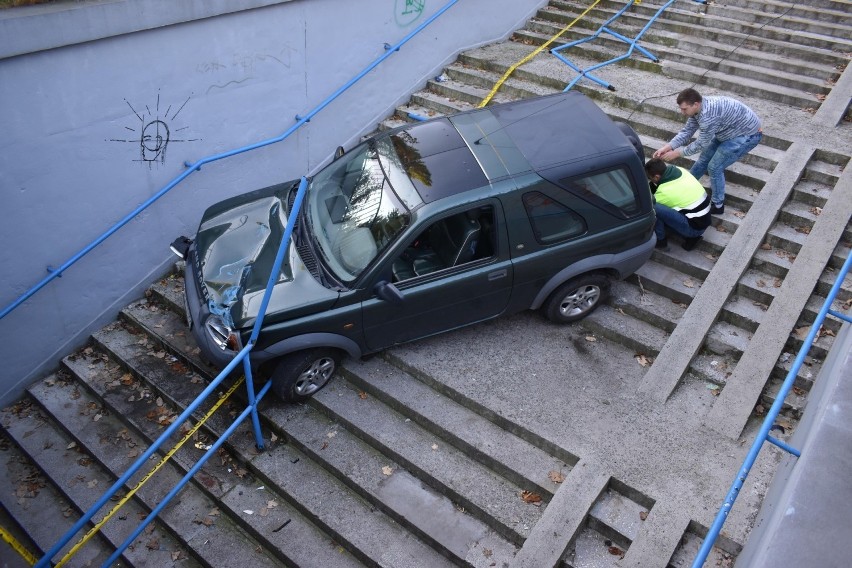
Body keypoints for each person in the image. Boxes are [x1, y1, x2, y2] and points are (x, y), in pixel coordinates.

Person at [653, 88, 762, 215]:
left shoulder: (707, 116)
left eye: (684, 109)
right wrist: (668, 147)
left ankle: (718, 204)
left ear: (696, 104)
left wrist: (677, 153)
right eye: (681, 109)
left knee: (715, 167)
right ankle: (685, 187)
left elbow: (701, 144)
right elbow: (687, 131)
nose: (682, 112)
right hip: (728, 131)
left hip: (747, 135)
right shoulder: (696, 110)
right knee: (703, 159)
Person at [645, 158, 711, 251]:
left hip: (695, 229)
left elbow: (648, 202)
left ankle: (661, 242)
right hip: (703, 219)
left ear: (656, 177)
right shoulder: (679, 170)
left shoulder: (664, 193)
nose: (650, 180)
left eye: (650, 178)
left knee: (654, 207)